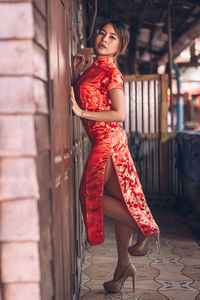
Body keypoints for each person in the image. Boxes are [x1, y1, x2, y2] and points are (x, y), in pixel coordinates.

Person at [71, 20, 160, 293]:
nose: (104, 39)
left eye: (112, 37)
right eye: (102, 33)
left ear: (120, 47)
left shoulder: (111, 72)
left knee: (88, 195)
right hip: (106, 140)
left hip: (107, 140)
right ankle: (124, 266)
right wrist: (77, 73)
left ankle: (146, 227)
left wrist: (81, 113)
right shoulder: (94, 67)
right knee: (119, 199)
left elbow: (119, 114)